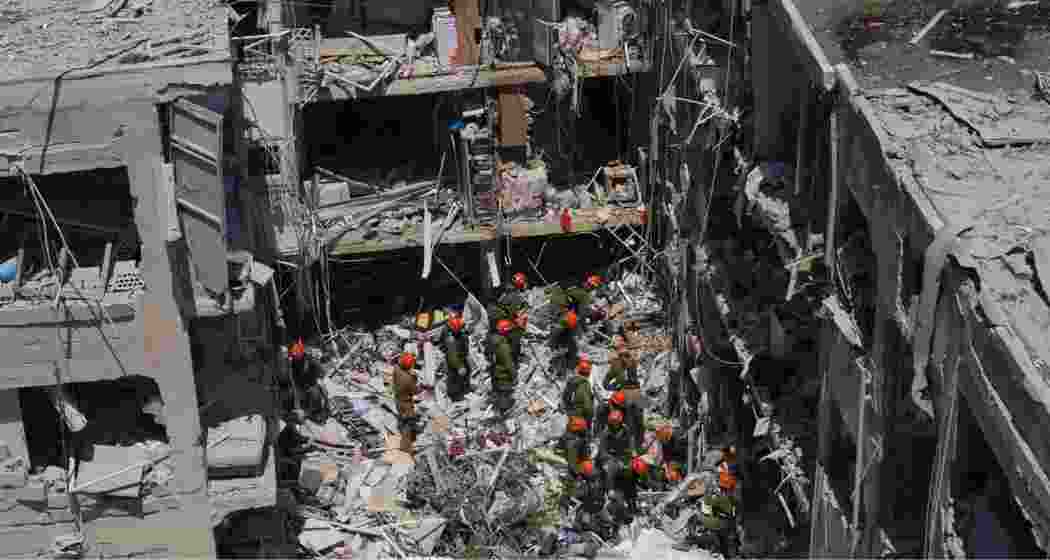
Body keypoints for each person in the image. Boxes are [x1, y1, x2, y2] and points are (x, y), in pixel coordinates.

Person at [605, 335, 643, 445]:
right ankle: (636, 443)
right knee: (635, 419)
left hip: (632, 393)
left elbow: (607, 382)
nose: (624, 357)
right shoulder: (626, 363)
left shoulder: (627, 363)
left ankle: (635, 443)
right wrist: (614, 387)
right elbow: (606, 382)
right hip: (631, 393)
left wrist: (613, 386)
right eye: (623, 355)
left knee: (635, 419)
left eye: (625, 355)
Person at [559, 416, 592, 511]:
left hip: (575, 461)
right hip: (569, 466)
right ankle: (564, 504)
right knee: (570, 484)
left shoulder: (572, 437)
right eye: (583, 429)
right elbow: (572, 463)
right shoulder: (573, 443)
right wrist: (579, 472)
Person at [488, 319, 517, 416]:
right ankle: (503, 414)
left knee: (497, 390)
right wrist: (514, 376)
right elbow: (508, 363)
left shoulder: (492, 340)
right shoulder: (503, 346)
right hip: (503, 374)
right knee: (505, 393)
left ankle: (496, 406)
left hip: (494, 371)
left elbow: (487, 354)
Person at [393, 352, 420, 454]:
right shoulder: (408, 379)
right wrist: (415, 378)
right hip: (406, 403)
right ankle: (405, 447)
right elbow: (415, 391)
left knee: (404, 419)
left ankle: (410, 439)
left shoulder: (396, 369)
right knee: (409, 423)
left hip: (398, 400)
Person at [443, 314, 471, 402]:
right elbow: (452, 356)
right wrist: (459, 366)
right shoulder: (450, 340)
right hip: (455, 361)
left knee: (467, 371)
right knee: (454, 377)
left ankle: (465, 389)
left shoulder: (459, 334)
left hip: (461, 357)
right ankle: (455, 395)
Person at [562, 356, 595, 427]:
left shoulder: (571, 380)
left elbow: (565, 398)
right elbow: (587, 406)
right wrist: (590, 417)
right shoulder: (585, 384)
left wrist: (570, 412)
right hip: (582, 416)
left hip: (573, 413)